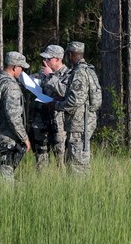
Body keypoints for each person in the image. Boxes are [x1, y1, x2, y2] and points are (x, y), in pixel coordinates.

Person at [0, 51, 32, 182]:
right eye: (21, 68)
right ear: (15, 67)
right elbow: (13, 116)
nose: (22, 72)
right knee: (5, 180)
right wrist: (24, 138)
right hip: (7, 139)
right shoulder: (11, 86)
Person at [53, 42, 102, 175]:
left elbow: (75, 100)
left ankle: (80, 191)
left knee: (77, 164)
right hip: (84, 121)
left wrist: (56, 105)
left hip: (79, 123)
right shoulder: (89, 70)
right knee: (79, 160)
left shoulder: (79, 73)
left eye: (68, 55)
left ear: (71, 54)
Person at [30, 44, 71, 170]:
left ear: (58, 59)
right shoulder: (43, 73)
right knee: (41, 154)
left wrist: (51, 76)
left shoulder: (69, 74)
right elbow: (32, 82)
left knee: (60, 155)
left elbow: (65, 93)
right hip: (41, 119)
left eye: (48, 59)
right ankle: (42, 183)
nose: (45, 62)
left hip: (59, 122)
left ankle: (62, 184)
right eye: (44, 59)